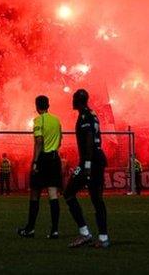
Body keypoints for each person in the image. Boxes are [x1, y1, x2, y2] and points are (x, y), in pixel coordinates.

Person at [64, 89, 110, 249]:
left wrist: (87, 165)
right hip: (95, 159)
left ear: (78, 100)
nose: (72, 101)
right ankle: (101, 237)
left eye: (73, 98)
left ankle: (86, 233)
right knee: (96, 199)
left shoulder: (85, 116)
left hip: (91, 161)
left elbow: (90, 139)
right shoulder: (92, 114)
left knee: (69, 193)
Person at [18, 95, 62, 239]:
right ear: (48, 105)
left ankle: (30, 229)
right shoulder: (56, 120)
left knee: (35, 192)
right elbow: (60, 140)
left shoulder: (38, 120)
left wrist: (35, 161)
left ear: (37, 106)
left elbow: (39, 141)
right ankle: (55, 230)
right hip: (55, 158)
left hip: (43, 158)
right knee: (53, 193)